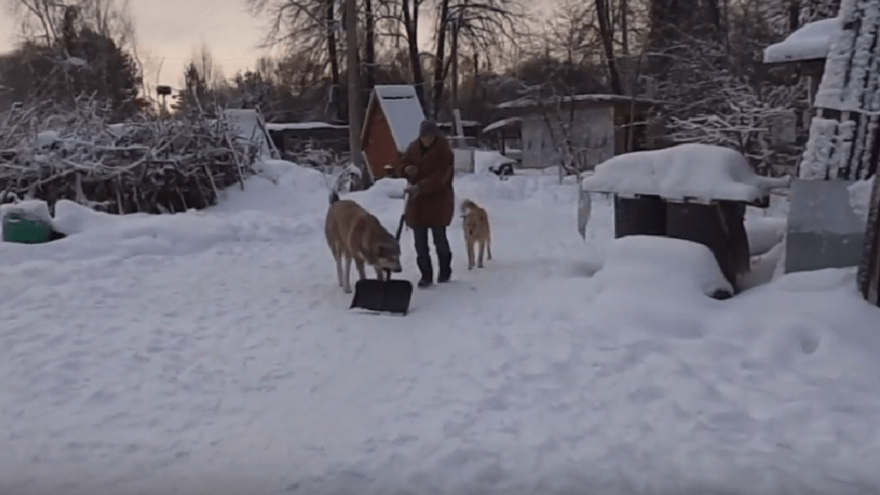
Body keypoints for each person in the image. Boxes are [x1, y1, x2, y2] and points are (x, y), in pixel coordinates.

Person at [400, 120, 455, 288]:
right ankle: (426, 274)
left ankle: (445, 270)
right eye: (425, 137)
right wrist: (407, 169)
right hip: (418, 205)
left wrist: (420, 187)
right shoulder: (413, 149)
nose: (428, 140)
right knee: (420, 243)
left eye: (431, 136)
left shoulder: (444, 152)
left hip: (439, 202)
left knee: (440, 240)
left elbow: (440, 178)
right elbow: (402, 163)